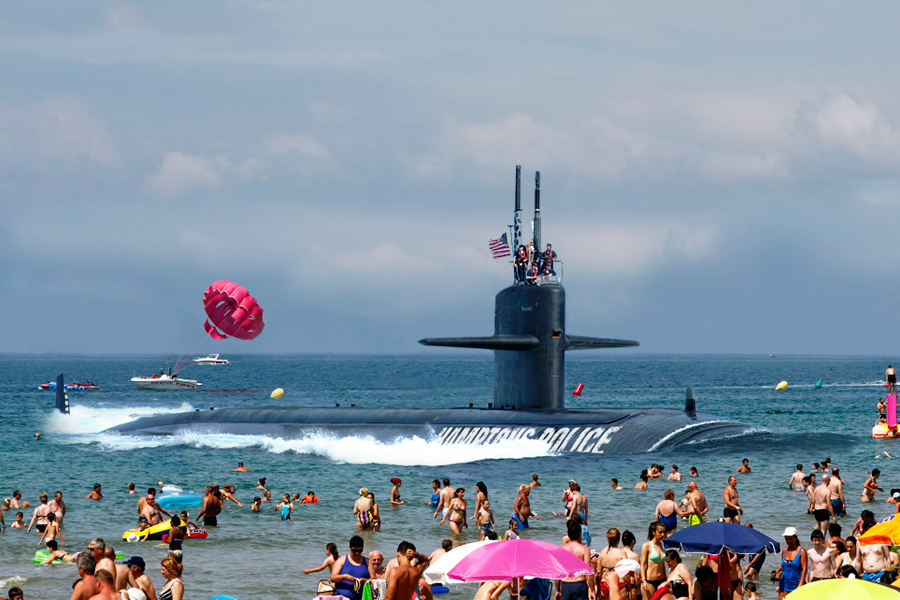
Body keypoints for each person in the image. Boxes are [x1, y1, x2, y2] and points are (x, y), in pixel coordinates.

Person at [557, 520, 595, 600]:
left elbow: (558, 572)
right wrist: (592, 590)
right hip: (580, 584)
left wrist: (557, 590)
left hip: (565, 584)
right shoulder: (585, 550)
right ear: (580, 535)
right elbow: (588, 572)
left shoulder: (561, 549)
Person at [331, 535, 373, 600]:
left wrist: (365, 581)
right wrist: (344, 577)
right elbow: (333, 578)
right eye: (354, 550)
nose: (357, 553)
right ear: (349, 548)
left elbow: (374, 579)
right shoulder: (341, 560)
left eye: (360, 551)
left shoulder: (368, 562)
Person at [640, 521, 667, 600]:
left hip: (662, 580)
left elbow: (662, 564)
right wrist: (643, 580)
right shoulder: (647, 546)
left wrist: (666, 579)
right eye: (660, 532)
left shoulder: (662, 545)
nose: (663, 534)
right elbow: (642, 564)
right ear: (653, 532)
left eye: (664, 532)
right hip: (650, 581)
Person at [777, 527, 807, 599]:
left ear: (795, 538)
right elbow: (784, 566)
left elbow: (804, 569)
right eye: (786, 539)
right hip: (784, 584)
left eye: (790, 539)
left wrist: (800, 584)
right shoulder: (784, 550)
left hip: (796, 584)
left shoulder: (801, 551)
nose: (788, 541)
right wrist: (779, 569)